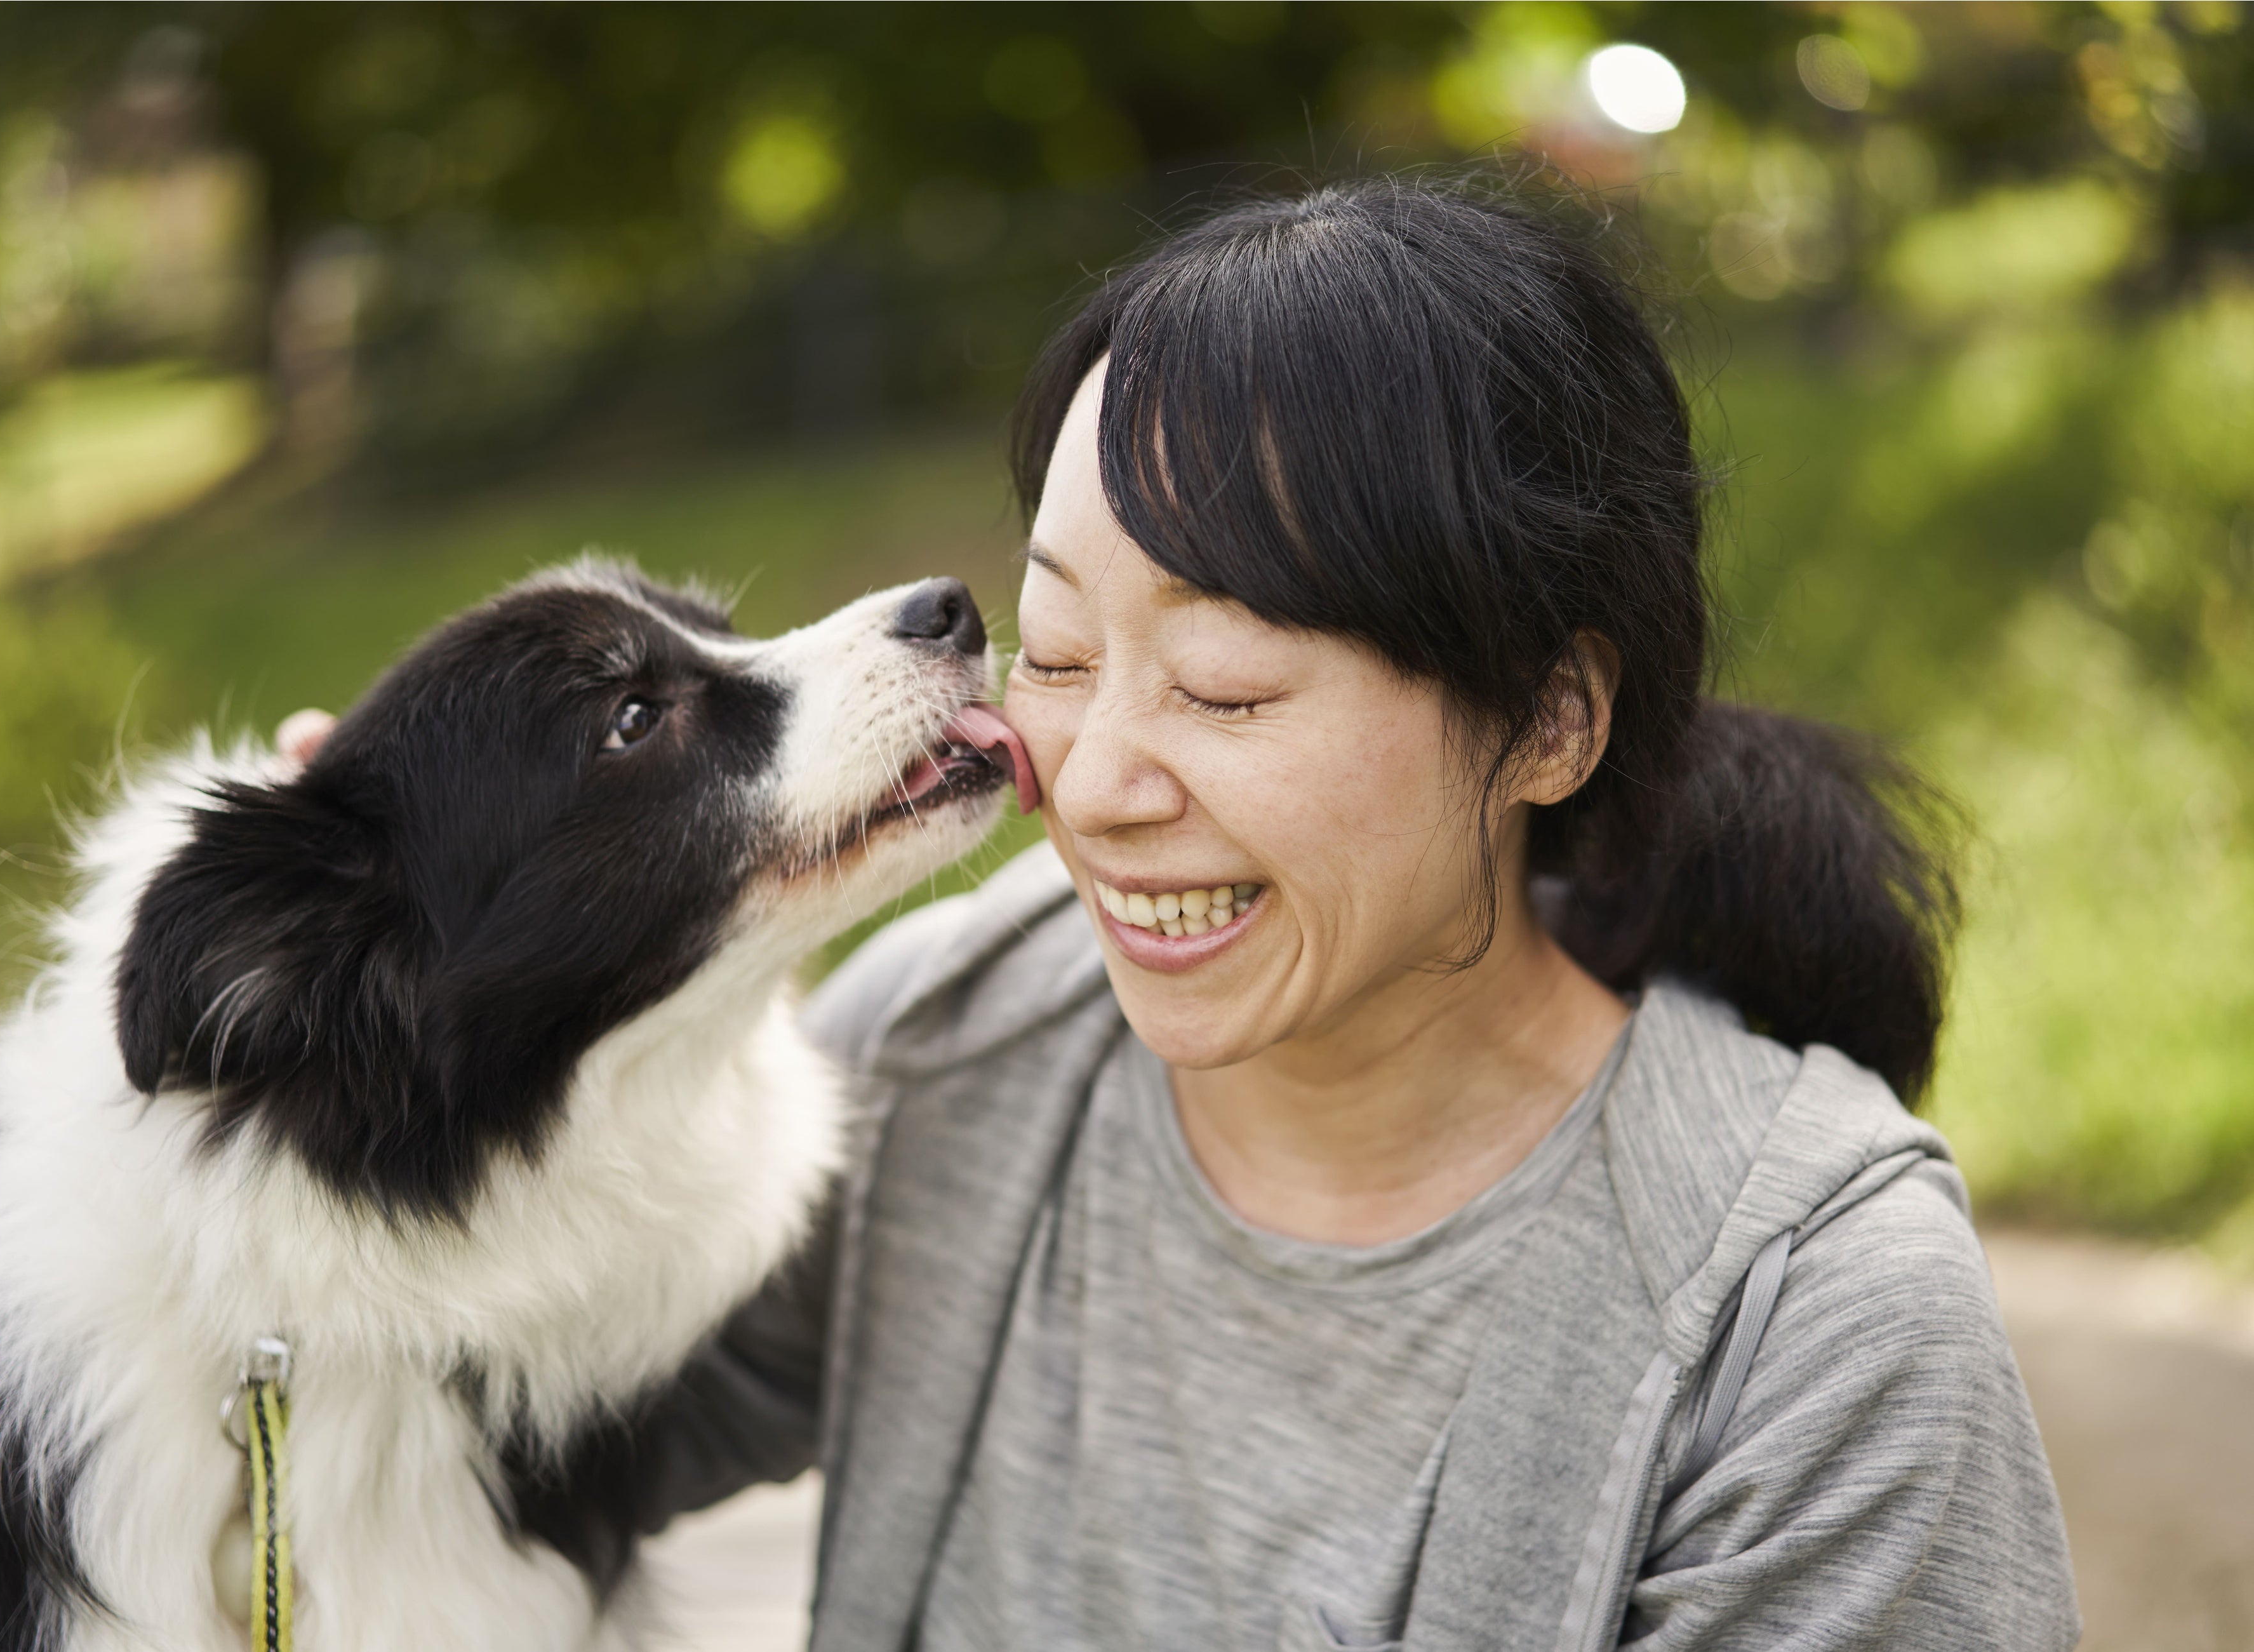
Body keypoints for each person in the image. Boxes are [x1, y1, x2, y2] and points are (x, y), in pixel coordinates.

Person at [317, 178, 2083, 1649]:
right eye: (1064, 653)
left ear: (1553, 715)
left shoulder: (1811, 1331)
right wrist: (383, 989)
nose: (1084, 786)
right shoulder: (951, 1047)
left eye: (1228, 687)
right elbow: (461, 1439)